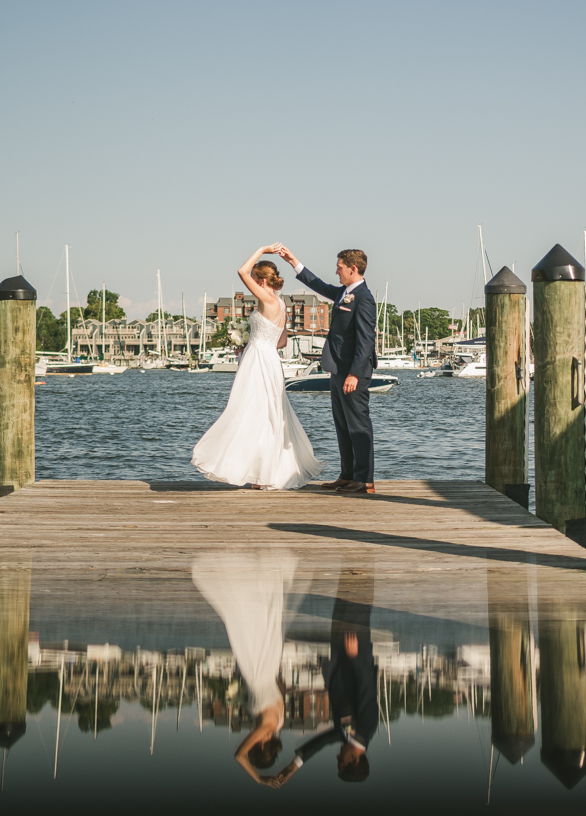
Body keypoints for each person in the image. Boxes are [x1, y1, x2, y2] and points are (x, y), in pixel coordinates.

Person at [191, 244, 323, 490]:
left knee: (250, 411)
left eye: (254, 279)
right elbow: (281, 341)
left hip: (258, 360)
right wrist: (249, 342)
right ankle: (266, 473)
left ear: (261, 280)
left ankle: (258, 473)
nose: (249, 282)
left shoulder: (265, 297)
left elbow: (241, 271)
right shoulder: (282, 305)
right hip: (270, 359)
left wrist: (262, 249)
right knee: (269, 413)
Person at [192, 550, 298, 788]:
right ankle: (248, 571)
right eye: (253, 749)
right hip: (257, 669)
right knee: (244, 620)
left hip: (268, 666)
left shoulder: (279, 722)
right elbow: (238, 755)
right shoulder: (266, 727)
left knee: (261, 620)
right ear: (259, 747)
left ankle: (260, 572)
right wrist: (259, 779)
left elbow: (279, 687)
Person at [278, 246, 377, 495]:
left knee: (358, 425)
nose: (336, 271)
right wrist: (294, 262)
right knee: (342, 425)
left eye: (340, 267)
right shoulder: (345, 292)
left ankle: (364, 479)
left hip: (354, 372)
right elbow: (320, 286)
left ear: (353, 269)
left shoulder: (364, 299)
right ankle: (347, 475)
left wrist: (354, 373)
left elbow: (366, 341)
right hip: (337, 369)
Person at [275, 567, 377, 786]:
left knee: (341, 603)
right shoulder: (367, 727)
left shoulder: (345, 734)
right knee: (358, 605)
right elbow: (367, 686)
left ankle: (350, 564)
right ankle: (365, 562)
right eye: (341, 761)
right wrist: (356, 657)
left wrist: (293, 766)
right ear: (353, 759)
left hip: (340, 655)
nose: (337, 756)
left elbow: (319, 743)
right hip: (354, 652)